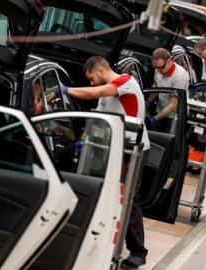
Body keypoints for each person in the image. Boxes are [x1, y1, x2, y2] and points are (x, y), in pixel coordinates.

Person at [64, 56, 151, 269]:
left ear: (101, 71)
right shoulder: (106, 93)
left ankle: (138, 252)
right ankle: (103, 243)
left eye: (92, 78)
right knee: (107, 195)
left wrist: (66, 90)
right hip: (111, 149)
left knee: (128, 198)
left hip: (133, 150)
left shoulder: (125, 81)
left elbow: (95, 92)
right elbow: (97, 118)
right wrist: (82, 140)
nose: (92, 83)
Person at [147, 48, 189, 133]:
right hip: (159, 112)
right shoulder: (158, 68)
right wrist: (148, 101)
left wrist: (155, 118)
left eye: (161, 68)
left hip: (173, 118)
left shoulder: (179, 76)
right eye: (156, 68)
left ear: (169, 61)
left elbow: (173, 105)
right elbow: (156, 86)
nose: (158, 71)